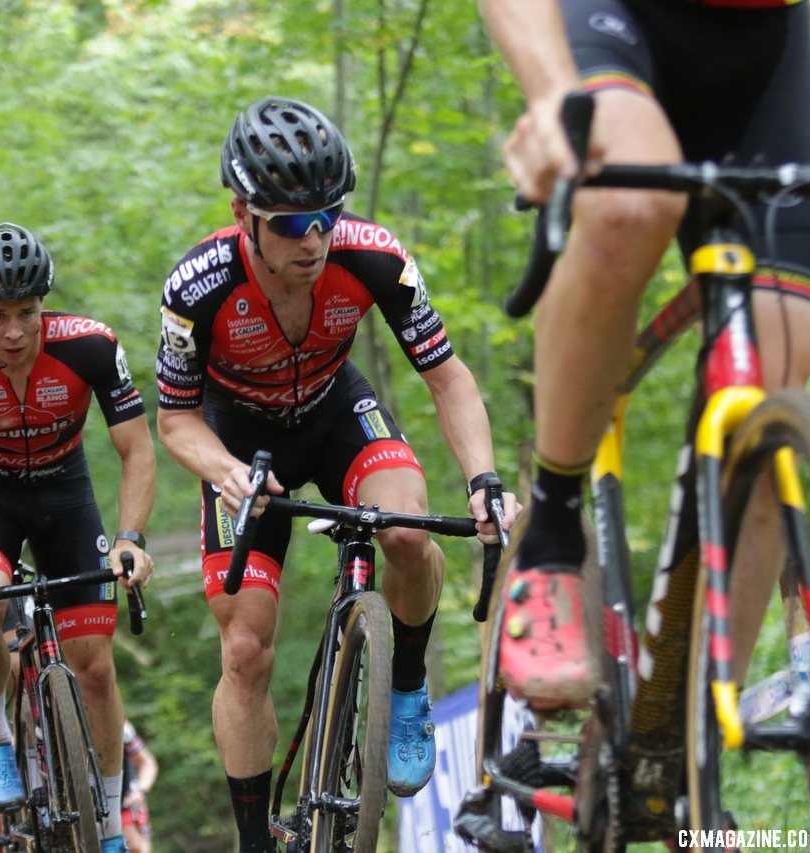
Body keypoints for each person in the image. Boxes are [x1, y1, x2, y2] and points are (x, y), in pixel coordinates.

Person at [154, 96, 518, 851]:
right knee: (246, 649)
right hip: (239, 442)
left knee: (410, 532)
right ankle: (255, 836)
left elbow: (448, 379)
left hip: (333, 413)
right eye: (290, 221)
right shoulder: (197, 287)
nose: (313, 237)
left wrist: (483, 478)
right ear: (243, 214)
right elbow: (174, 422)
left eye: (327, 216)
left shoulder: (373, 256)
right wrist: (224, 471)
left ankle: (406, 681)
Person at [476, 0, 810, 713]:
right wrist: (550, 96)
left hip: (763, 50)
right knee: (628, 201)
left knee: (772, 382)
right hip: (616, 20)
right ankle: (549, 545)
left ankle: (687, 732)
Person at [0, 222, 157, 853]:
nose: (15, 332)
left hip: (65, 492)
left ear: (45, 304)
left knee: (95, 669)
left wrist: (130, 536)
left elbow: (136, 449)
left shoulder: (91, 348)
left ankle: (107, 828)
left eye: (28, 313)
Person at [120, 719, 158, 853]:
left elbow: (147, 763)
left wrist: (140, 790)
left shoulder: (122, 727)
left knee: (136, 847)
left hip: (127, 801)